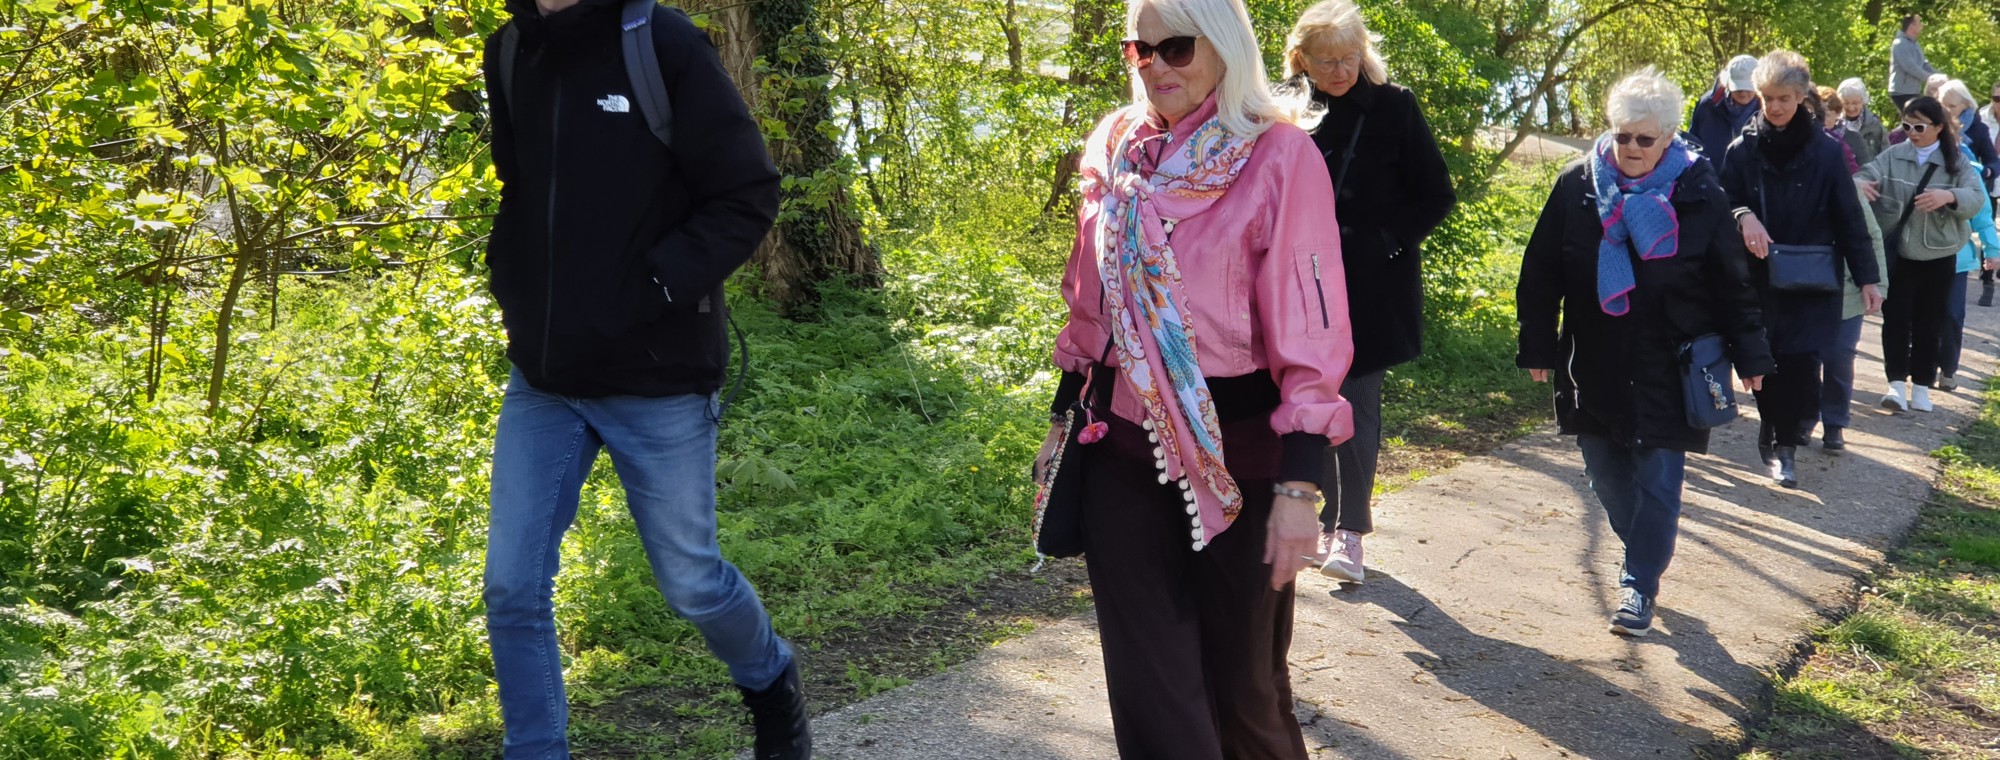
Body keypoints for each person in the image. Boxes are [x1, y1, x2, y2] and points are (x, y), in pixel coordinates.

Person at [480, 0, 808, 758]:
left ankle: (769, 678)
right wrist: (515, 286)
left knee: (692, 583)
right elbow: (518, 188)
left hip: (657, 375)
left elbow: (746, 193)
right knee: (511, 588)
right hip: (545, 380)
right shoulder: (509, 51)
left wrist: (653, 289)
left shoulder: (658, 43)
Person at [1037, 0, 1352, 754]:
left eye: (1175, 47)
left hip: (1240, 456)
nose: (1154, 66)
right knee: (1151, 688)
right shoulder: (1115, 144)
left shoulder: (1277, 155)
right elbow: (1091, 303)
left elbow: (1311, 326)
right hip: (1118, 445)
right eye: (1138, 51)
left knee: (1244, 688)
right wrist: (1059, 420)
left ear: (1223, 47)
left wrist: (1301, 489)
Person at [1516, 68, 1772, 637]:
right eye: (1622, 136)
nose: (1631, 148)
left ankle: (1639, 584)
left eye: (1644, 139)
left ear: (1668, 136)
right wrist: (1536, 343)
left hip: (1671, 361)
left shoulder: (1699, 190)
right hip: (1595, 356)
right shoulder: (1577, 185)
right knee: (1605, 474)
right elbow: (1541, 272)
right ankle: (1646, 551)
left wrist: (1751, 357)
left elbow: (1732, 282)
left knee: (1657, 477)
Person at [1281, 0, 1456, 584]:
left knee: (1355, 404)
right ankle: (1311, 522)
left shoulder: (1394, 107)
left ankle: (1349, 532)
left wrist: (1382, 239)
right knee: (1304, 402)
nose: (1339, 71)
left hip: (1371, 289)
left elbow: (1436, 194)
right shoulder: (1283, 109)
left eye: (1349, 57)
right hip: (1298, 286)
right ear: (1301, 59)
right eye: (1326, 61)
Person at [1721, 52, 1882, 489]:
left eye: (1784, 99)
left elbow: (1849, 218)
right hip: (1760, 274)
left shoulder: (1827, 152)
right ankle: (1773, 438)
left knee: (1804, 362)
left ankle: (1787, 447)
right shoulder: (1741, 149)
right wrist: (1742, 214)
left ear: (1801, 98)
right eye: (1767, 98)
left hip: (1813, 275)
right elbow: (1722, 201)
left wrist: (1868, 278)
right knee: (1766, 359)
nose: (1774, 107)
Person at [1857, 97, 1989, 412]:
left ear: (1939, 127)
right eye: (1906, 126)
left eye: (1919, 127)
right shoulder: (1894, 155)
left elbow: (1975, 198)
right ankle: (1895, 385)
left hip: (1939, 255)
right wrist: (1859, 184)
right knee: (1896, 320)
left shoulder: (1956, 161)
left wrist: (1949, 196)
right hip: (1899, 253)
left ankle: (1921, 387)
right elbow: (1865, 172)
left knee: (1931, 322)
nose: (1912, 133)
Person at [1689, 55, 1761, 161]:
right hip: (1710, 175)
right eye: (1738, 88)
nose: (1743, 93)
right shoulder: (1707, 105)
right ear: (1728, 84)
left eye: (1748, 88)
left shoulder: (1768, 110)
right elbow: (1693, 143)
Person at [1889, 14, 1938, 110]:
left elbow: (1924, 65)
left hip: (1913, 91)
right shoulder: (1899, 43)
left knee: (1915, 119)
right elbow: (1910, 67)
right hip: (1901, 91)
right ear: (1911, 26)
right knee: (1913, 118)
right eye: (1919, 23)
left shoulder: (1915, 44)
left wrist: (1940, 77)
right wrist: (1931, 79)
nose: (1922, 25)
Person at [1838, 78, 1889, 166]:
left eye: (1855, 103)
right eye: (1846, 103)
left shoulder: (1875, 125)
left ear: (1863, 101)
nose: (1851, 108)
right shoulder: (1835, 124)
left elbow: (1886, 155)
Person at [1819, 85, 1865, 173]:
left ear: (1837, 114)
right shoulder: (1811, 135)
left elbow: (1865, 166)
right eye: (1819, 115)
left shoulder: (1852, 135)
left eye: (1828, 115)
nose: (1823, 120)